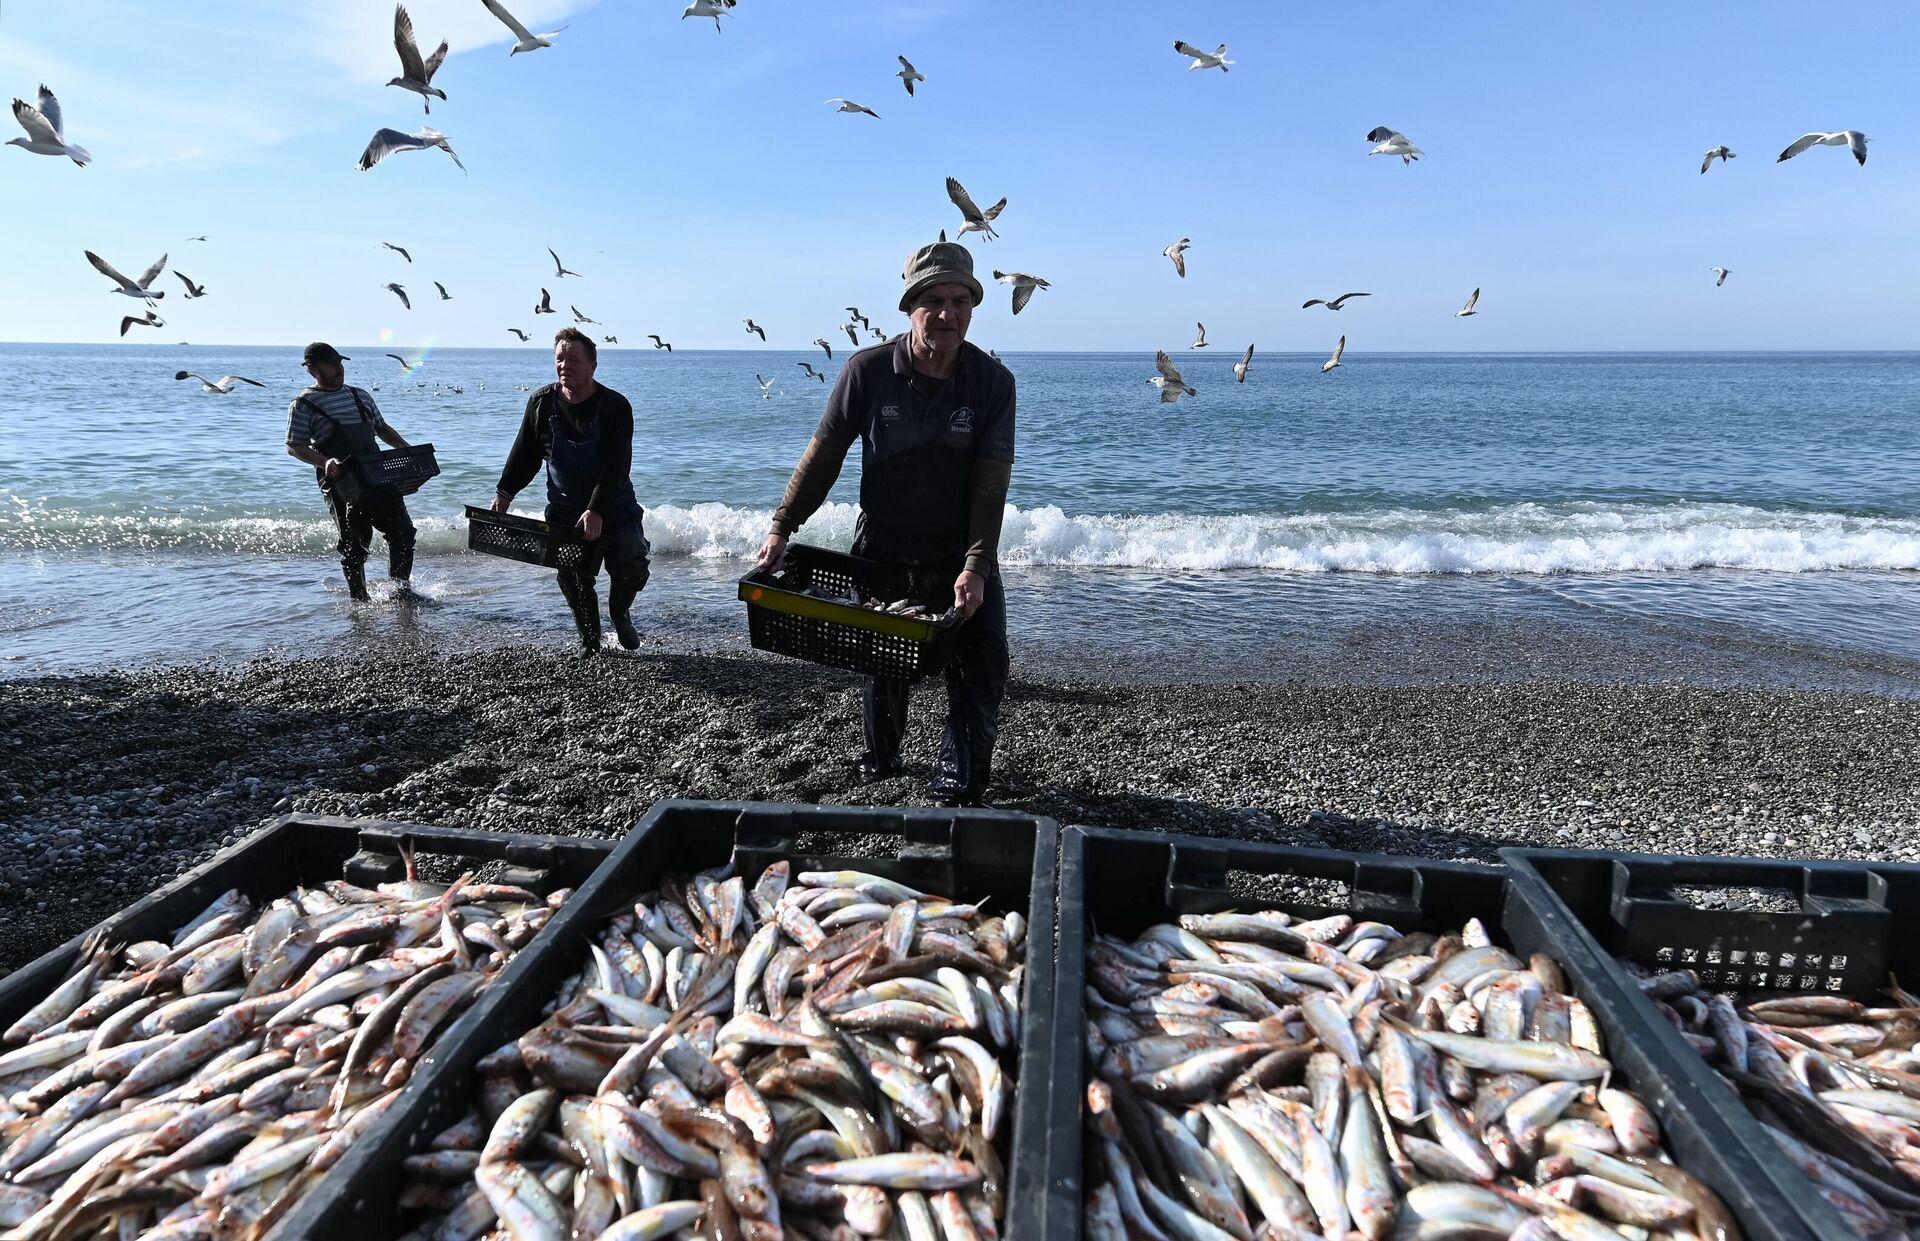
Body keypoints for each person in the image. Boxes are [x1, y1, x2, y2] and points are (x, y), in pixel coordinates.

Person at [756, 239, 1015, 806]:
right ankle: (882, 761)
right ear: (909, 307)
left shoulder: (994, 383)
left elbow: (990, 484)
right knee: (887, 664)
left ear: (972, 307)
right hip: (884, 548)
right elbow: (824, 455)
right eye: (933, 301)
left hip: (959, 550)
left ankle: (959, 783)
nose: (947, 314)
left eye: (960, 301)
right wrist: (783, 525)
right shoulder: (867, 371)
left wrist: (976, 564)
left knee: (983, 662)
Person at [492, 327, 651, 654]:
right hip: (564, 510)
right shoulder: (540, 403)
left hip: (614, 506)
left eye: (573, 359)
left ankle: (620, 613)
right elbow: (524, 454)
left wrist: (596, 510)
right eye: (559, 359)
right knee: (573, 578)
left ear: (593, 364)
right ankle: (590, 641)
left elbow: (616, 465)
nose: (565, 365)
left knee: (631, 562)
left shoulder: (615, 406)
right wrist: (505, 493)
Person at [285, 341, 418, 602]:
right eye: (331, 363)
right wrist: (324, 462)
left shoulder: (359, 395)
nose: (339, 368)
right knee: (354, 544)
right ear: (312, 369)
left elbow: (381, 427)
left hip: (378, 474)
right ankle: (360, 600)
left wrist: (405, 448)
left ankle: (401, 592)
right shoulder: (303, 404)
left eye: (340, 362)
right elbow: (294, 446)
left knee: (403, 532)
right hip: (340, 482)